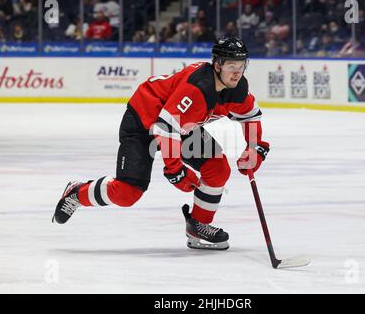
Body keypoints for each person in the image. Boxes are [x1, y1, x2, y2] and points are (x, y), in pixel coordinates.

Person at [52, 36, 270, 251]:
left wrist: (254, 148)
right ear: (217, 64)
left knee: (217, 167)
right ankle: (77, 192)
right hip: (144, 121)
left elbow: (251, 116)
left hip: (179, 126)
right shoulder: (197, 87)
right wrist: (176, 171)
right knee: (128, 194)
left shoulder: (238, 88)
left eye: (242, 65)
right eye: (232, 65)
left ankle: (198, 226)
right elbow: (164, 128)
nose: (237, 72)